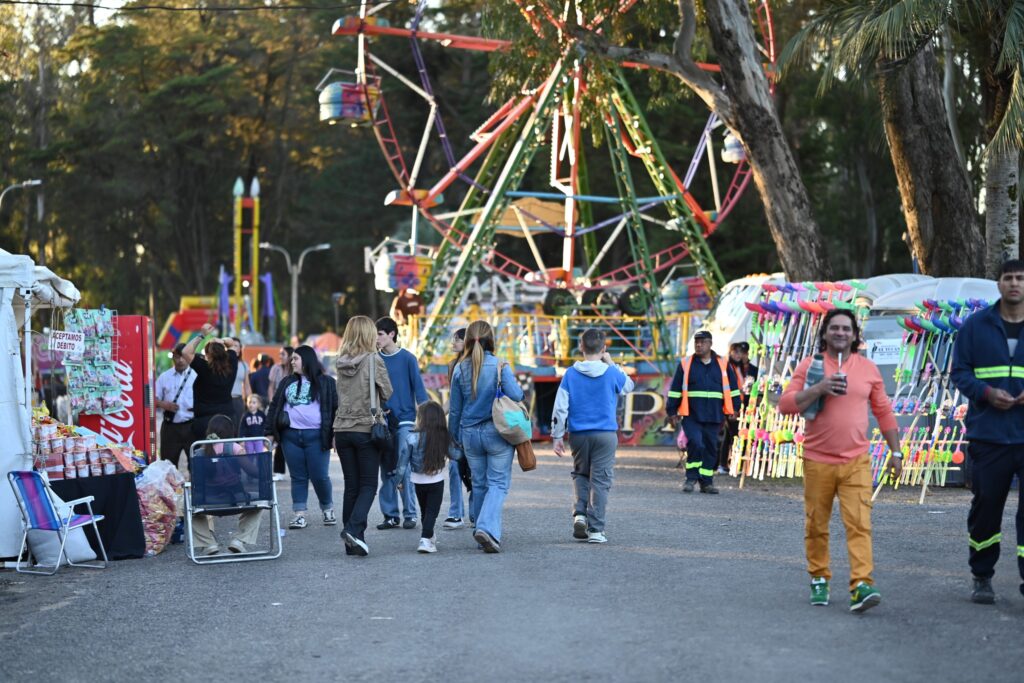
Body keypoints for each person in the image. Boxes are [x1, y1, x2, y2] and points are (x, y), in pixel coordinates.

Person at [779, 309, 902, 612]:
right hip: (817, 460)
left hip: (856, 461)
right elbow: (785, 405)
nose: (840, 333)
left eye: (846, 329)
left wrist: (896, 452)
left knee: (859, 524)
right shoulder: (810, 365)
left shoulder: (868, 369)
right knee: (816, 524)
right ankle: (819, 577)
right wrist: (819, 387)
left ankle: (861, 584)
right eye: (834, 328)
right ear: (824, 333)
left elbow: (883, 412)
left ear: (855, 335)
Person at [950, 259, 1024, 605]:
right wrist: (986, 393)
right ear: (998, 284)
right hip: (989, 435)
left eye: (1020, 278)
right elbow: (960, 372)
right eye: (1008, 278)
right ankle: (982, 576)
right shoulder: (975, 326)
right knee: (986, 509)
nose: (1015, 284)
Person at [551, 328, 634, 544]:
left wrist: (557, 436)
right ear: (604, 348)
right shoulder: (611, 373)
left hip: (578, 435)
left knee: (581, 473)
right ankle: (596, 530)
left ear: (581, 347)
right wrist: (611, 362)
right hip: (605, 434)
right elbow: (628, 386)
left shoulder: (570, 374)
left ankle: (580, 514)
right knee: (600, 480)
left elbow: (560, 408)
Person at [448, 320, 525, 553]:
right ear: (491, 339)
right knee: (498, 483)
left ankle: (481, 533)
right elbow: (516, 394)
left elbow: (455, 410)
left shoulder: (460, 368)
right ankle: (486, 528)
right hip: (497, 432)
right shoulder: (500, 365)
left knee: (479, 483)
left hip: (470, 435)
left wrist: (454, 438)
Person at [334, 316, 393, 557]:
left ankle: (353, 541)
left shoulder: (340, 361)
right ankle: (353, 530)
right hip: (366, 428)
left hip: (342, 429)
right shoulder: (373, 359)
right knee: (368, 485)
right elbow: (387, 391)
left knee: (352, 486)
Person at [265, 345, 338, 530]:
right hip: (290, 436)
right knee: (298, 477)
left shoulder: (326, 382)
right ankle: (299, 515)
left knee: (320, 476)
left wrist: (336, 434)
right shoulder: (286, 381)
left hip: (317, 437)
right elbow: (274, 406)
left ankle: (327, 509)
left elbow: (336, 408)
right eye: (292, 359)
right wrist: (269, 432)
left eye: (295, 358)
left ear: (306, 360)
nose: (292, 362)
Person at [665, 330, 740, 494]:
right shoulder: (686, 364)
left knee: (711, 447)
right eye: (696, 342)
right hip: (692, 414)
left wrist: (735, 408)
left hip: (714, 414)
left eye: (702, 342)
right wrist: (671, 411)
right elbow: (675, 389)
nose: (699, 345)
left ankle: (706, 482)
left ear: (710, 344)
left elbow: (733, 389)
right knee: (696, 443)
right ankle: (691, 478)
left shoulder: (722, 364)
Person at [375, 316, 428, 531]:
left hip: (405, 420)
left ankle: (410, 514)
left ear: (391, 334)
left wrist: (427, 421)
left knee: (403, 468)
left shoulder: (408, 359)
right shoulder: (374, 360)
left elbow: (420, 391)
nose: (376, 338)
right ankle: (390, 515)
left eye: (380, 334)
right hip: (382, 423)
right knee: (386, 469)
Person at [190, 414, 263, 555]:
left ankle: (208, 543)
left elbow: (194, 482)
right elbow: (252, 471)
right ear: (230, 431)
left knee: (187, 505)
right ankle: (240, 540)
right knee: (261, 500)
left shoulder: (200, 452)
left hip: (209, 502)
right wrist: (265, 473)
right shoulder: (234, 448)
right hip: (236, 499)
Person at [396, 401, 452, 553]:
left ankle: (429, 536)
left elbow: (402, 463)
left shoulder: (412, 437)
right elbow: (456, 454)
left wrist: (398, 481)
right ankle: (425, 539)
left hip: (417, 480)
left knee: (425, 511)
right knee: (432, 512)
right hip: (436, 479)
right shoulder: (443, 437)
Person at [180, 324, 239, 440]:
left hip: (205, 421)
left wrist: (202, 335)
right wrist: (221, 341)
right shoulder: (232, 363)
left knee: (204, 451)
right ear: (224, 353)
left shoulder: (204, 367)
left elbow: (186, 352)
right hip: (227, 419)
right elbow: (232, 344)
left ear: (207, 355)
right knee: (226, 450)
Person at [443, 328, 473, 530]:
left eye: (457, 339)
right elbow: (453, 399)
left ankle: (475, 514)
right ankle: (455, 513)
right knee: (454, 468)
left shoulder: (479, 364)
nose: (453, 343)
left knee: (474, 471)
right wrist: (437, 414)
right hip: (456, 425)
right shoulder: (452, 365)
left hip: (474, 425)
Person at [718, 341, 759, 474]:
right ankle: (727, 464)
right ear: (730, 352)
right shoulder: (727, 366)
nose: (738, 355)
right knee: (733, 435)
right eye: (735, 352)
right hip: (730, 406)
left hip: (738, 404)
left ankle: (730, 464)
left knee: (733, 435)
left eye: (740, 353)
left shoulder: (738, 367)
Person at [155, 343, 197, 469]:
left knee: (195, 465)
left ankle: (193, 482)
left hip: (192, 426)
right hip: (170, 427)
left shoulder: (196, 375)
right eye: (177, 357)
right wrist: (164, 404)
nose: (180, 360)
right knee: (168, 465)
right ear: (173, 357)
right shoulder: (164, 377)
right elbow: (152, 399)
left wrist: (198, 407)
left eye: (183, 357)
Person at [230, 337, 249, 427]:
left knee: (238, 427)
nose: (235, 348)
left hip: (238, 400)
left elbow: (247, 385)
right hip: (226, 400)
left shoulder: (244, 365)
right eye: (233, 346)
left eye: (237, 346)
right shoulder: (223, 363)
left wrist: (249, 401)